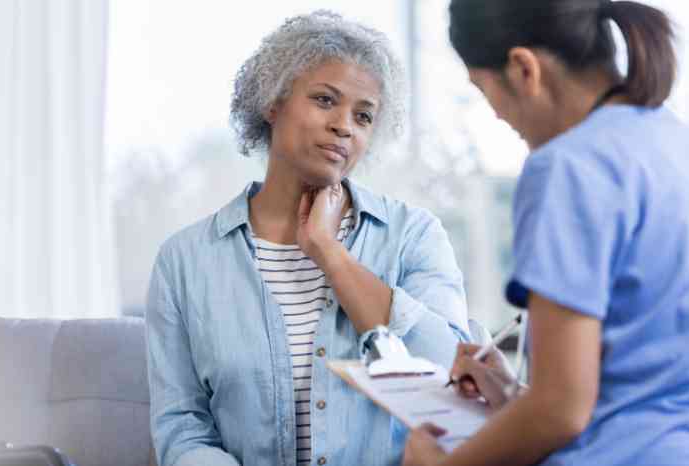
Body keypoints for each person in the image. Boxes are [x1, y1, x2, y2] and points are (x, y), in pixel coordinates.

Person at [146, 10, 470, 466]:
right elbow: (182, 426)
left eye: (363, 116)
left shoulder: (414, 237)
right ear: (273, 101)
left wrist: (330, 254)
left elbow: (452, 377)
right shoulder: (185, 261)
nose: (345, 125)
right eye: (324, 100)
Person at [403, 1, 689, 465]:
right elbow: (640, 380)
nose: (496, 115)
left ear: (522, 69)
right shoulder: (671, 141)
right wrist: (515, 396)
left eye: (483, 90)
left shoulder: (568, 167)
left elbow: (562, 411)